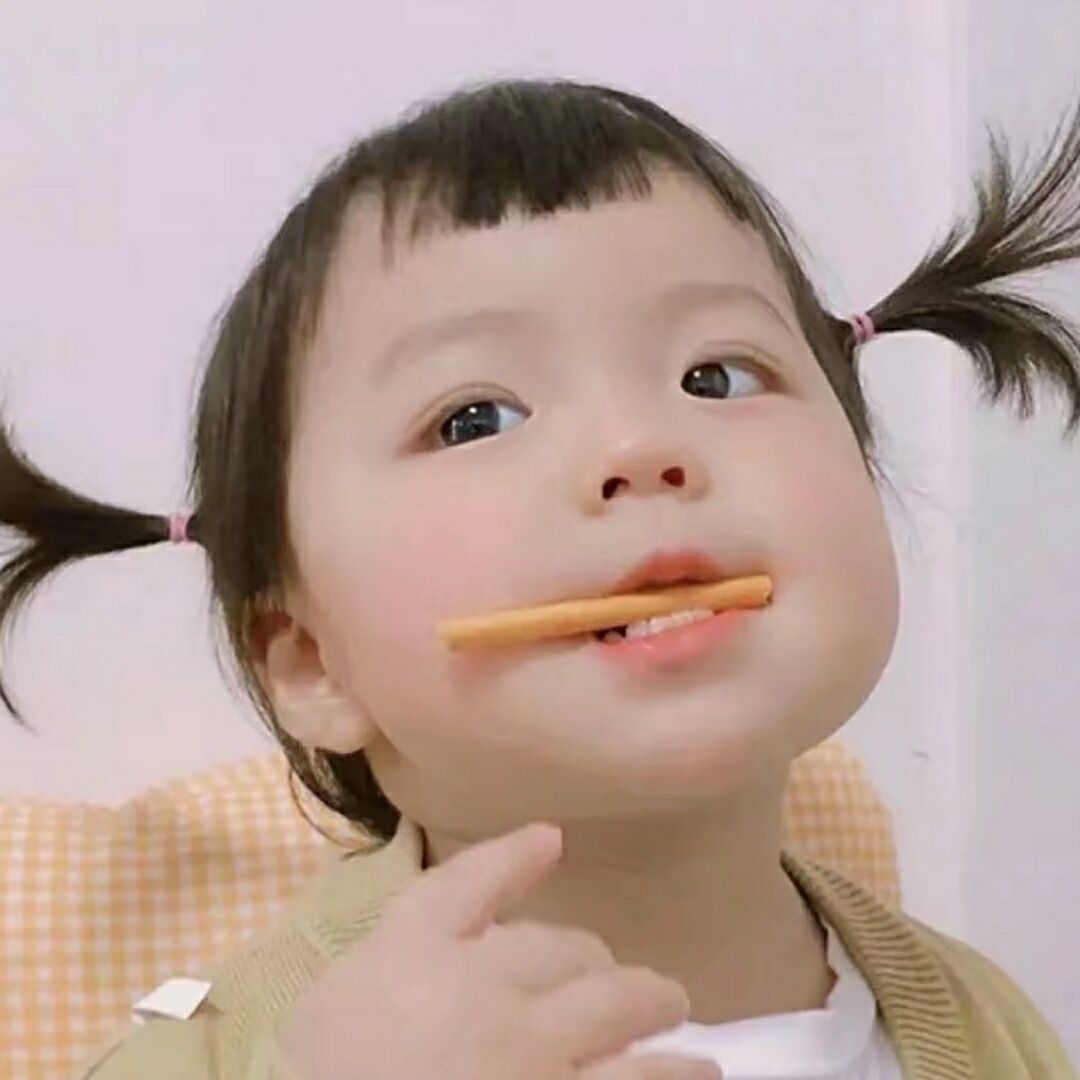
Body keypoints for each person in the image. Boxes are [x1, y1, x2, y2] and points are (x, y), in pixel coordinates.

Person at [3, 78, 1078, 1080]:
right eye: (475, 418)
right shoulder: (214, 1054)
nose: (639, 446)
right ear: (312, 660)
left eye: (717, 375)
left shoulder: (992, 1026)